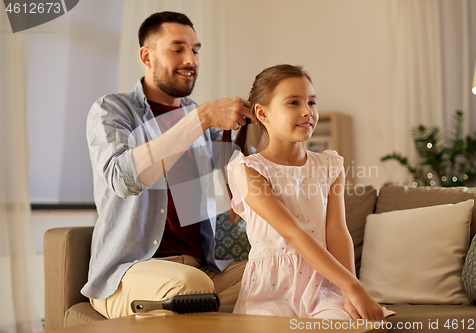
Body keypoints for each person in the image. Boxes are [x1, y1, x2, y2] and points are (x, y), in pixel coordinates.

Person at [82, 11, 253, 319]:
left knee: (275, 275)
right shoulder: (112, 110)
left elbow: (245, 174)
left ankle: (205, 311)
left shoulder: (206, 124)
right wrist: (199, 119)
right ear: (146, 56)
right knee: (190, 287)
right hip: (130, 273)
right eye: (177, 49)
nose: (191, 59)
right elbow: (122, 177)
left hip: (204, 269)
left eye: (196, 50)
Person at [227, 64, 394, 320]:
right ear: (262, 113)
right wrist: (352, 286)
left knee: (346, 324)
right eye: (293, 103)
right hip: (271, 290)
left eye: (312, 102)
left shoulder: (330, 165)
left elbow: (337, 232)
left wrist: (349, 289)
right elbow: (292, 233)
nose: (308, 111)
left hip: (325, 286)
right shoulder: (247, 169)